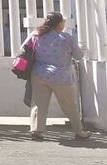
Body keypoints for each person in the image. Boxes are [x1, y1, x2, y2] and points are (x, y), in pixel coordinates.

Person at [25, 12, 91, 141]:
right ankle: (79, 131)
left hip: (39, 74)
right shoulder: (67, 38)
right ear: (60, 24)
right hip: (61, 77)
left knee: (39, 103)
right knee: (70, 105)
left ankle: (36, 130)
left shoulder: (36, 35)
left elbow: (24, 49)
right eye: (63, 22)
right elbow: (78, 56)